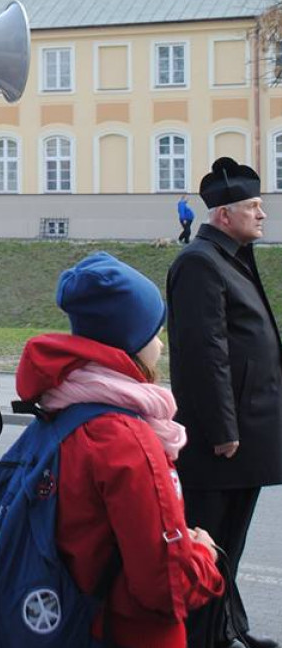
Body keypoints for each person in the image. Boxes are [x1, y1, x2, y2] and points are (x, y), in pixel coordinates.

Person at [17, 251, 224, 648]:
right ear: (128, 338)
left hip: (70, 620)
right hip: (124, 632)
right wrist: (202, 555)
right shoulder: (125, 438)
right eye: (153, 331)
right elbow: (165, 587)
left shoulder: (63, 409)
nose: (160, 344)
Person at [167, 158, 282, 648]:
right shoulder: (199, 263)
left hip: (246, 435)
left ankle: (226, 629)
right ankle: (199, 638)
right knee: (208, 544)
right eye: (254, 207)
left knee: (227, 544)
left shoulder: (231, 257)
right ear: (224, 216)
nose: (263, 215)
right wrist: (222, 429)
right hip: (223, 441)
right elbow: (203, 352)